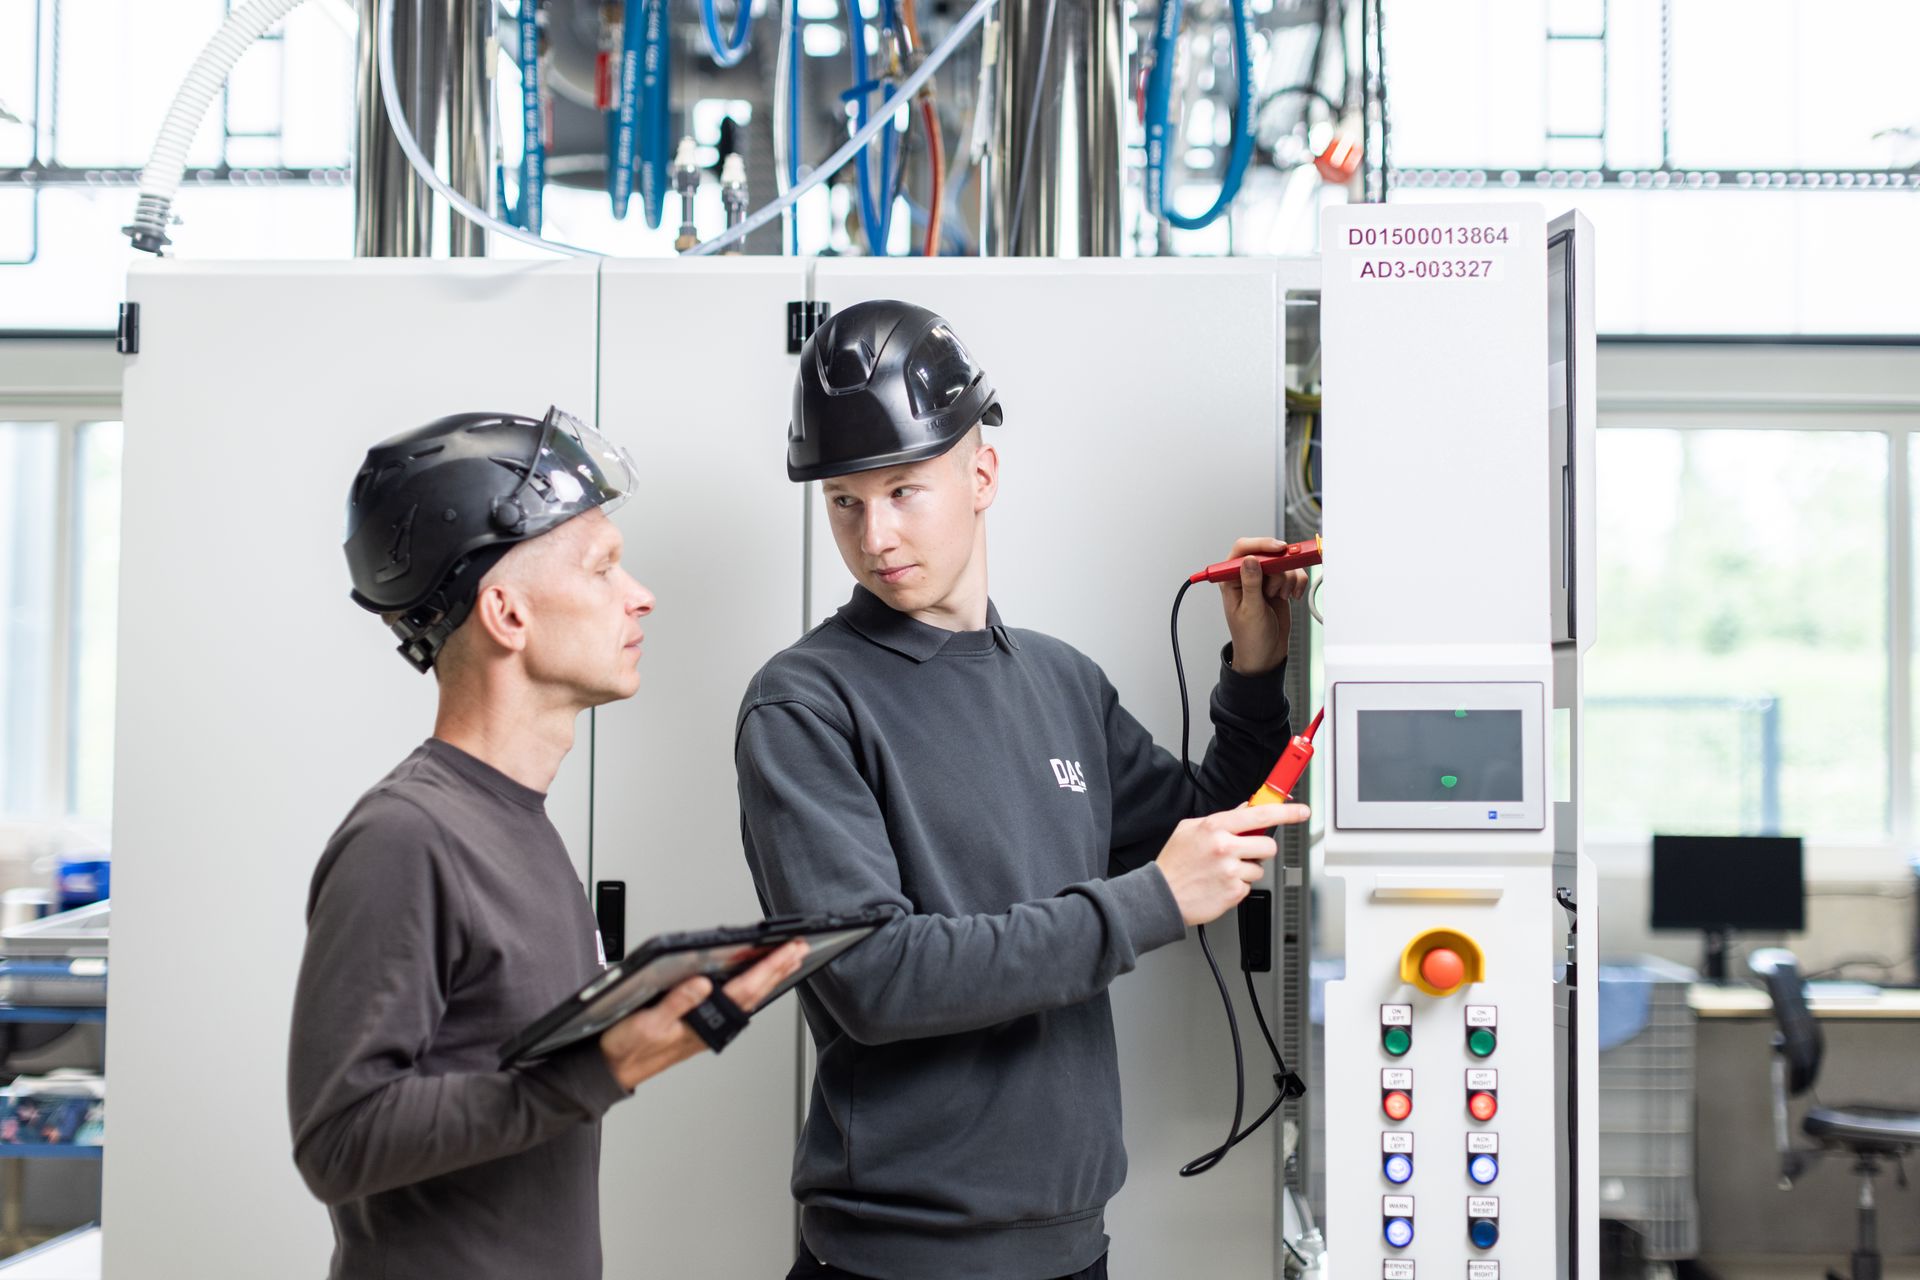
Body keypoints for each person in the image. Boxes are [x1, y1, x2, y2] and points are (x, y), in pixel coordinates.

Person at [735, 302, 1310, 1280]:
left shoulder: (1060, 681)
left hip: (1074, 1246)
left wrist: (1255, 673)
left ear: (981, 473)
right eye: (845, 501)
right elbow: (878, 979)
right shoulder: (804, 702)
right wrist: (1148, 900)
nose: (875, 534)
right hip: (896, 1261)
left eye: (905, 490)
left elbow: (1213, 830)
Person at [289, 406, 806, 1280]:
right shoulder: (406, 838)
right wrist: (600, 1066)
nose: (638, 593)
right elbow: (337, 1141)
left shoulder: (518, 824)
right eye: (602, 567)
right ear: (507, 614)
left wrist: (630, 1038)